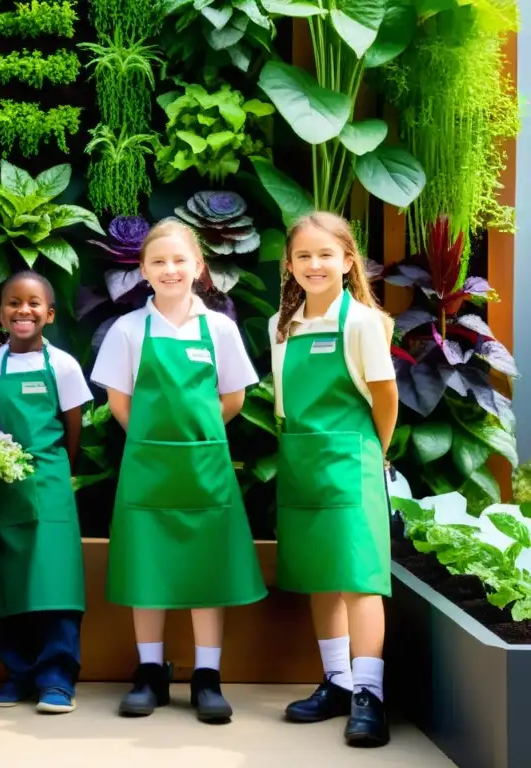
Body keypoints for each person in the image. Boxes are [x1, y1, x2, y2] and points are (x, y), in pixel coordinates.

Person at [91, 218, 266, 722]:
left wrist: (198, 440)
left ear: (199, 267)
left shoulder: (220, 328)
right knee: (148, 569)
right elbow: (119, 402)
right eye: (159, 261)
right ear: (143, 270)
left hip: (206, 471)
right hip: (147, 472)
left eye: (179, 260)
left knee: (207, 570)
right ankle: (150, 671)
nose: (170, 269)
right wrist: (155, 443)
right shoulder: (128, 330)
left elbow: (232, 398)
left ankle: (207, 676)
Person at [270, 212, 398, 748]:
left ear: (348, 262)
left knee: (360, 578)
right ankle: (338, 683)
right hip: (302, 463)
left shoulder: (362, 322)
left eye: (326, 254)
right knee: (323, 576)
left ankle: (369, 695)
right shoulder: (283, 329)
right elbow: (283, 405)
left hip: (352, 462)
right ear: (291, 266)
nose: (314, 264)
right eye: (303, 256)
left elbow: (385, 400)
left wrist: (372, 453)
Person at [0, 271, 92, 714]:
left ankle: (57, 679)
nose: (24, 310)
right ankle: (18, 673)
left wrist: (56, 470)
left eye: (34, 303)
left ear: (50, 314)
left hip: (53, 484)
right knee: (11, 583)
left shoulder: (64, 366)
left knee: (56, 584)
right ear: (1, 314)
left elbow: (72, 428)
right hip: (2, 489)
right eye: (13, 303)